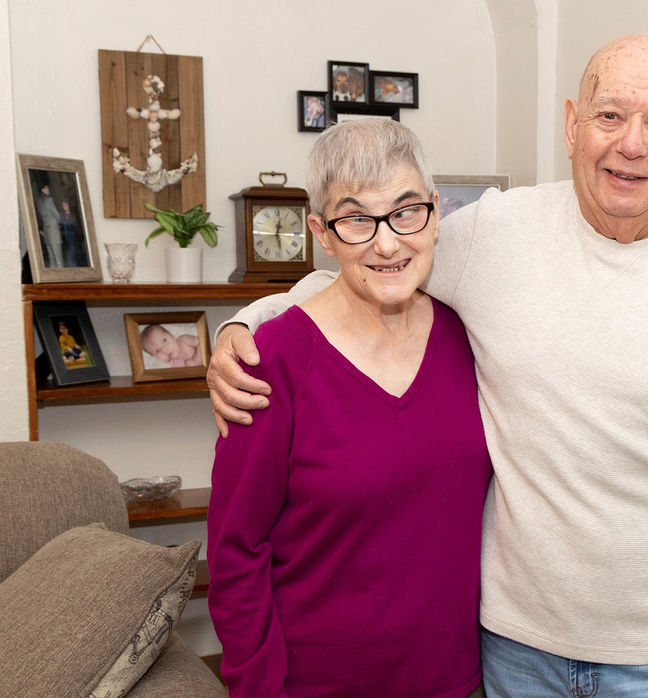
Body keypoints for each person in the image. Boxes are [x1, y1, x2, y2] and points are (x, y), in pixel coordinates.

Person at [210, 35, 648, 698]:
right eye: (609, 115)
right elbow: (375, 261)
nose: (631, 145)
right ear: (572, 125)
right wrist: (245, 325)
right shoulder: (496, 232)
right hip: (509, 648)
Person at [206, 119, 493, 697]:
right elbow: (236, 554)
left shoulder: (472, 340)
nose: (387, 243)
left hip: (457, 681)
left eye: (406, 211)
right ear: (322, 231)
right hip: (317, 685)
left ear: (437, 213)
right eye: (357, 219)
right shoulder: (271, 362)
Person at [36, 183, 64, 267]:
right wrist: (60, 221)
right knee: (58, 256)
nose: (49, 190)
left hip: (46, 229)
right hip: (53, 228)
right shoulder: (49, 199)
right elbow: (56, 213)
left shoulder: (39, 201)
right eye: (47, 188)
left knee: (51, 258)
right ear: (43, 189)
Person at [58, 200, 83, 267]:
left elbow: (74, 226)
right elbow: (59, 225)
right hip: (65, 239)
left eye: (65, 205)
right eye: (63, 205)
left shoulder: (72, 216)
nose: (64, 207)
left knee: (74, 253)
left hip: (72, 238)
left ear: (68, 206)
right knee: (68, 254)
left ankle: (75, 266)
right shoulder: (62, 215)